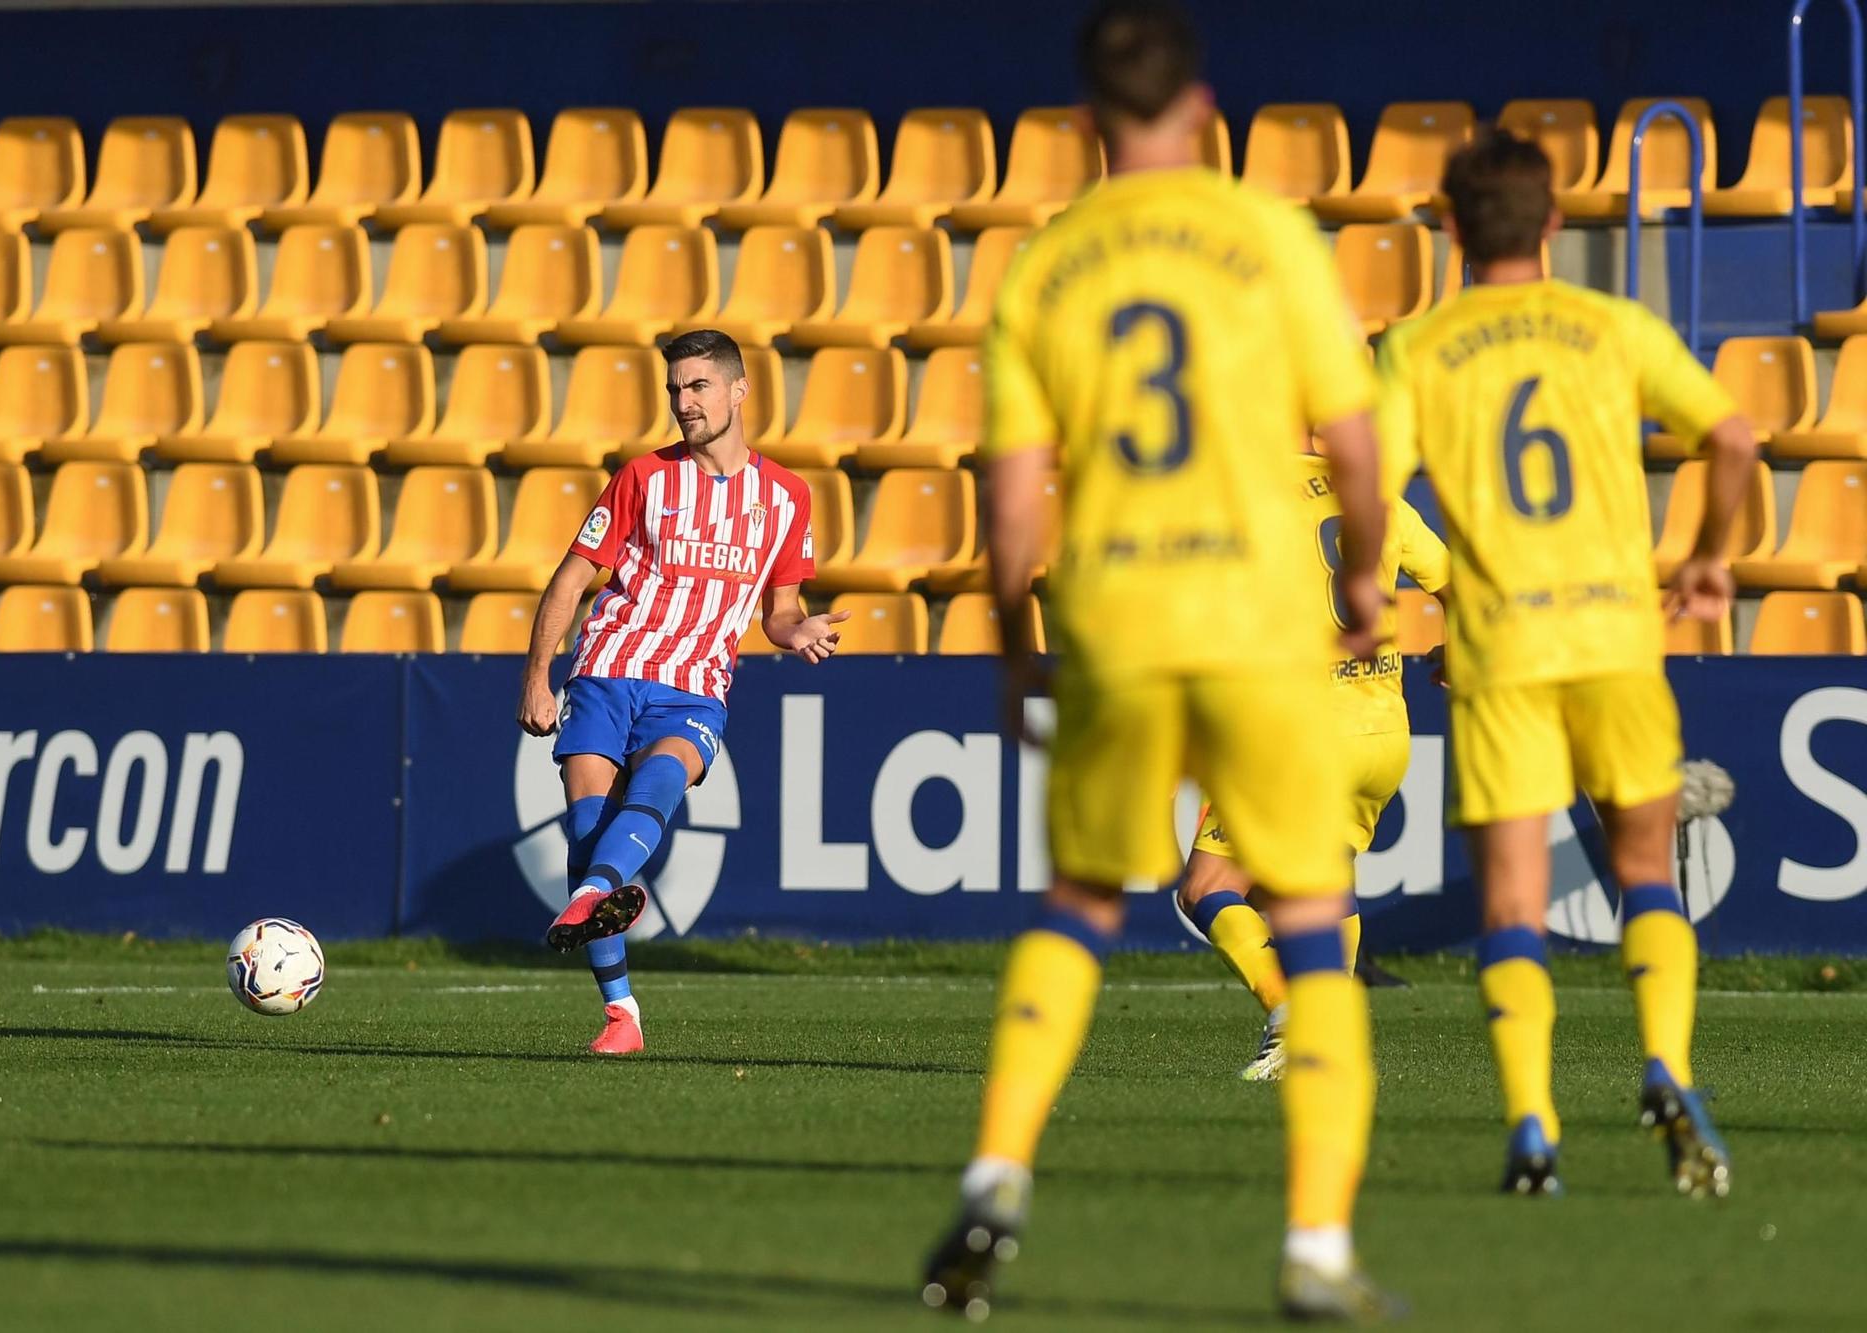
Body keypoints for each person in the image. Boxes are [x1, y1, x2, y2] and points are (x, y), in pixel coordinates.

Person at [921, 2, 1402, 1319]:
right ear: (1203, 113)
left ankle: (999, 1171)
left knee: (1082, 904)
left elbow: (1012, 501)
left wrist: (1019, 651)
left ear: (1083, 125)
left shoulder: (1047, 269)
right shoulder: (1268, 240)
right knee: (1311, 919)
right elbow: (1354, 450)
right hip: (1258, 622)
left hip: (1123, 614)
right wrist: (1361, 576)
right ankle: (1314, 1243)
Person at [1377, 128, 1756, 1197]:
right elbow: (1729, 437)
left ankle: (1533, 1126)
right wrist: (1710, 559)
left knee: (1511, 898)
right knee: (1642, 867)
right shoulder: (1611, 326)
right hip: (1613, 637)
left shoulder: (1418, 345)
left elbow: (1370, 480)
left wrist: (1368, 588)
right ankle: (1665, 1066)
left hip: (1501, 646)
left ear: (1448, 228)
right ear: (1552, 224)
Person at [516, 328, 847, 1055]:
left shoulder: (786, 497)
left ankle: (588, 898)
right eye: (675, 389)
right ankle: (622, 1014)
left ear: (738, 390)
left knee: (662, 778)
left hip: (693, 685)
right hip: (608, 668)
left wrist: (796, 632)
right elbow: (572, 577)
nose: (683, 402)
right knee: (588, 835)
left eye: (697, 386)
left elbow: (779, 611)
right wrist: (538, 674)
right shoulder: (642, 477)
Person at [1177, 442, 1449, 1081]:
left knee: (1209, 888)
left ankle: (1293, 1016)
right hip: (1383, 732)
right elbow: (1462, 582)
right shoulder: (1377, 493)